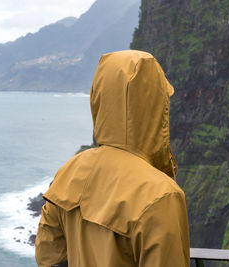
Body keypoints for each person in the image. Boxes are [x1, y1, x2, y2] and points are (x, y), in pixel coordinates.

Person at [35, 50, 190, 267]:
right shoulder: (161, 195)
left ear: (98, 97)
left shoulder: (68, 174)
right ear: (157, 104)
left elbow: (48, 257)